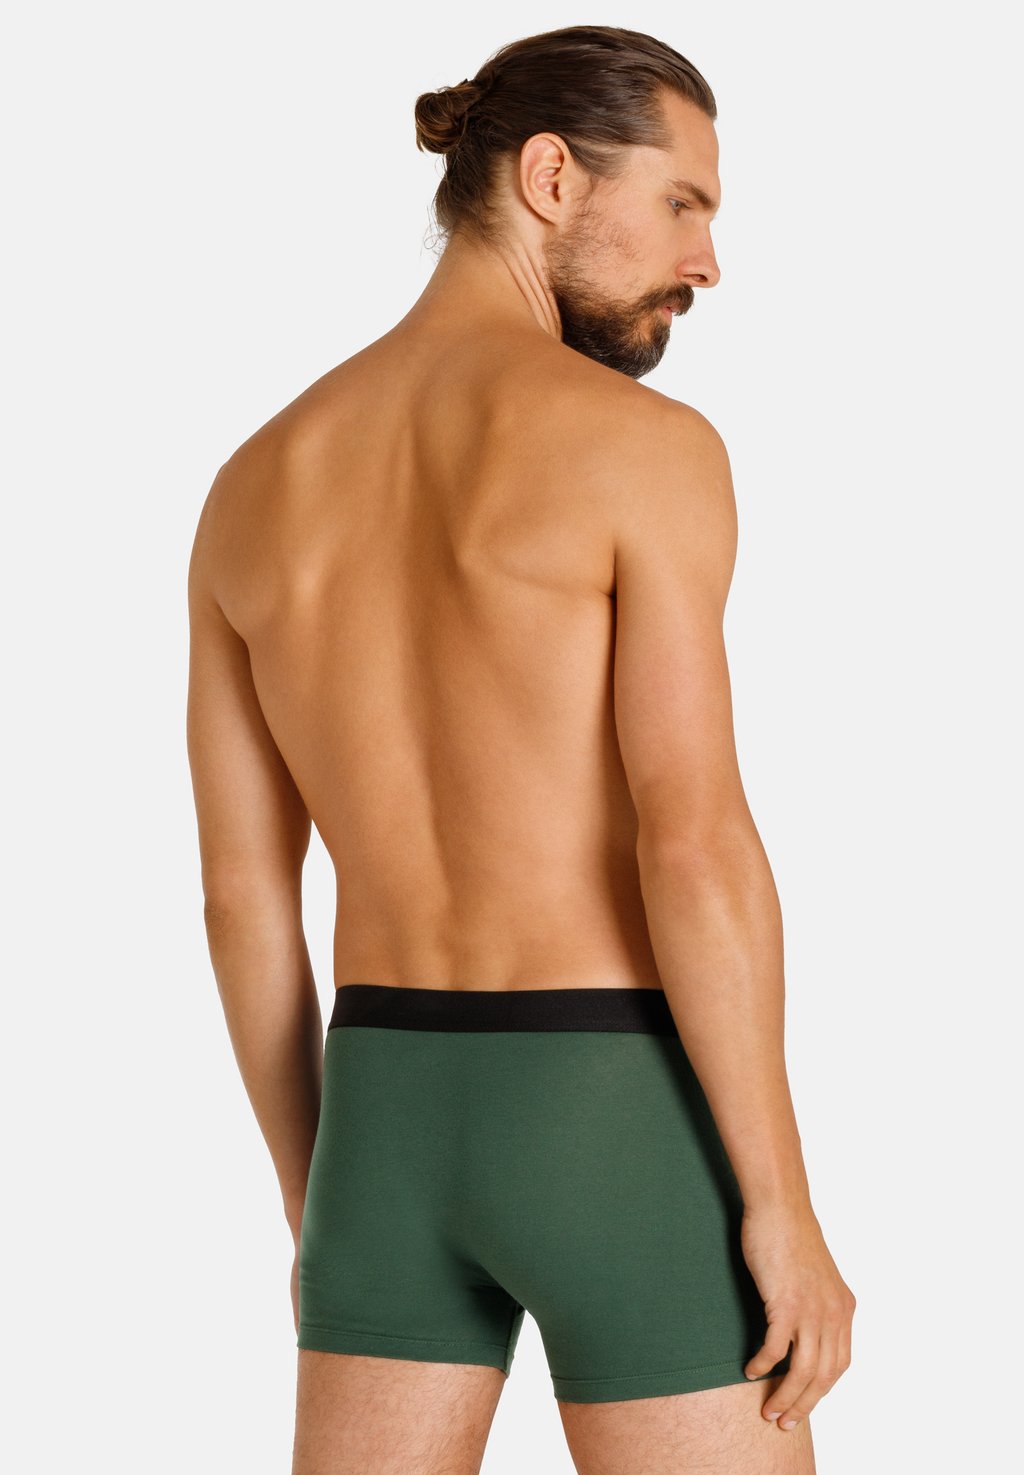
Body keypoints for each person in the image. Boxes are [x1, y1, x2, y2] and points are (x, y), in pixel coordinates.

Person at [186, 23, 855, 1475]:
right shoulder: (643, 449)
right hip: (609, 1106)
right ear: (552, 178)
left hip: (378, 1122)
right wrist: (782, 1204)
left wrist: (319, 1200)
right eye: (683, 203)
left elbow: (242, 898)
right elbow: (695, 842)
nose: (707, 262)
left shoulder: (252, 484)